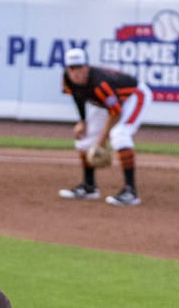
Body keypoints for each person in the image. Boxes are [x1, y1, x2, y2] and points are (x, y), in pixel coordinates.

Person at [57, 47, 152, 207]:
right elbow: (77, 96)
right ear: (67, 69)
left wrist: (102, 140)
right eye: (72, 68)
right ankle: (89, 187)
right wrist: (83, 121)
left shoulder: (100, 83)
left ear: (87, 67)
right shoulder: (67, 79)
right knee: (84, 139)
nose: (76, 72)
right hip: (109, 104)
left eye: (80, 67)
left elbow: (115, 113)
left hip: (134, 96)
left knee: (120, 134)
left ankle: (131, 192)